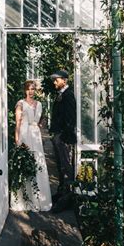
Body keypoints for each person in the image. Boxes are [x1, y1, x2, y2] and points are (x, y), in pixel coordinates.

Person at [10, 80, 52, 211]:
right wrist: (17, 140)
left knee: (38, 164)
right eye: (29, 88)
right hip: (24, 134)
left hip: (36, 135)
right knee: (24, 164)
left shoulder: (39, 104)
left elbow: (39, 121)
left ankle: (39, 200)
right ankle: (24, 200)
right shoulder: (20, 104)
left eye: (33, 89)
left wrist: (40, 126)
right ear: (25, 90)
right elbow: (17, 123)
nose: (31, 91)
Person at [49, 70, 77, 213]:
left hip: (64, 137)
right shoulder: (61, 94)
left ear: (64, 81)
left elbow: (71, 118)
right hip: (59, 135)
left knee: (66, 167)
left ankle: (66, 198)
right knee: (61, 165)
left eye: (57, 80)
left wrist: (64, 136)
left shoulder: (68, 95)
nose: (54, 82)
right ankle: (61, 193)